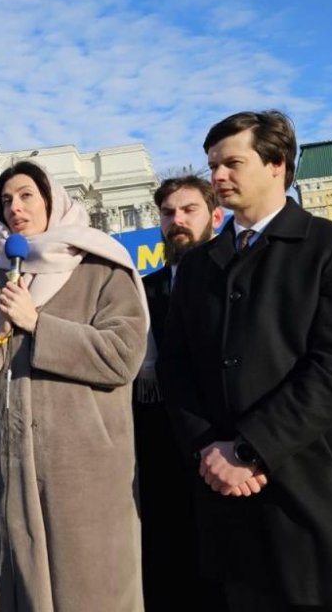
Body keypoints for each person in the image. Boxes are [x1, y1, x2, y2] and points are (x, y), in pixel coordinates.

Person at [159, 110, 332, 611]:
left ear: (276, 163)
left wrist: (248, 450)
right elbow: (176, 368)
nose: (218, 177)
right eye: (212, 166)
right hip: (233, 516)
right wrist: (211, 448)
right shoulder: (200, 267)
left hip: (318, 504)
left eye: (231, 163)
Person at [0, 161, 149, 612]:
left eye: (25, 196)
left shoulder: (101, 266)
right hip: (8, 472)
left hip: (83, 473)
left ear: (51, 199)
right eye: (5, 202)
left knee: (90, 592)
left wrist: (38, 325)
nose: (14, 208)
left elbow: (122, 355)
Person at [134, 175, 225, 611]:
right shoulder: (142, 290)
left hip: (223, 446)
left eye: (189, 210)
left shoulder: (231, 281)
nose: (178, 221)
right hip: (158, 447)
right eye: (169, 213)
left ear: (215, 216)